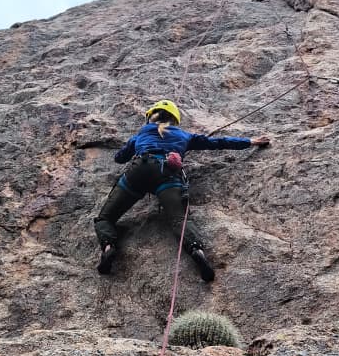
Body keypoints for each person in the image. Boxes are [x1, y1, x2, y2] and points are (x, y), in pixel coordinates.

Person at [94, 100, 270, 281]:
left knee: (105, 218)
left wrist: (135, 145)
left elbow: (119, 158)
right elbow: (218, 142)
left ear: (151, 117)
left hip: (139, 171)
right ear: (175, 119)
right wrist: (250, 141)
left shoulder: (142, 133)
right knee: (180, 220)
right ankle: (197, 251)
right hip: (168, 175)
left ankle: (109, 247)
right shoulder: (185, 136)